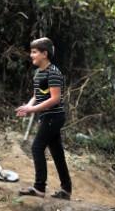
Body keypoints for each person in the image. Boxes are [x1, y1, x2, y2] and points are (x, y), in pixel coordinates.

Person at [15, 37, 72, 200]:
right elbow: (37, 95)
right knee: (57, 152)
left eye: (34, 52)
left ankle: (39, 188)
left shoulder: (54, 72)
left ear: (44, 54)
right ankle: (66, 189)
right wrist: (28, 107)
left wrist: (32, 109)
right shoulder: (39, 73)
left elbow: (54, 99)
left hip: (54, 116)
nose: (31, 55)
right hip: (47, 116)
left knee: (37, 147)